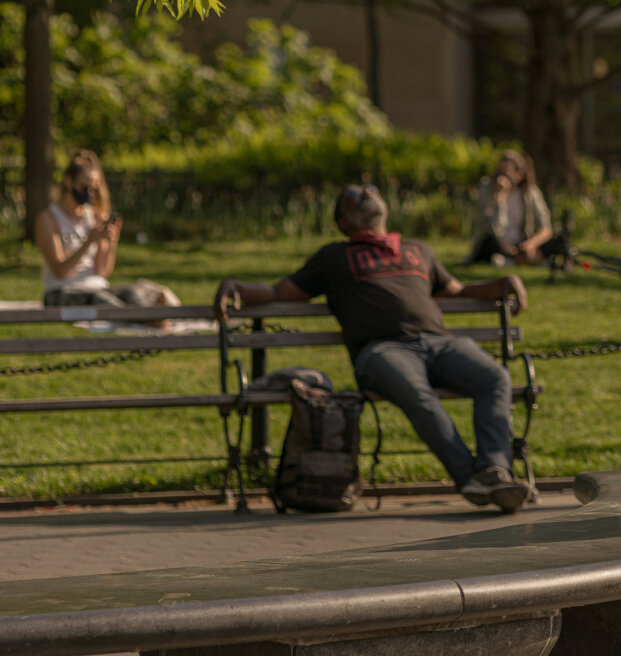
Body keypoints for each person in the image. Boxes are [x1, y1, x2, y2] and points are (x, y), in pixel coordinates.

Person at [213, 184, 534, 512]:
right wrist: (235, 286)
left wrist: (504, 282)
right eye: (354, 195)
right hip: (382, 351)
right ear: (343, 221)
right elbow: (278, 291)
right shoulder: (334, 257)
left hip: (440, 343)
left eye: (369, 190)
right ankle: (473, 478)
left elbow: (457, 290)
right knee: (418, 395)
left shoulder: (416, 249)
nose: (365, 194)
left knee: (494, 377)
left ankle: (494, 470)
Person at [35, 150, 178, 309]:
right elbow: (60, 271)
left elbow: (102, 271)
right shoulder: (48, 219)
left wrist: (111, 241)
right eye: (85, 187)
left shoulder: (94, 217)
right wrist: (89, 241)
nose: (90, 194)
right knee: (101, 300)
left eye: (94, 190)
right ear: (69, 181)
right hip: (61, 291)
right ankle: (145, 319)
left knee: (134, 292)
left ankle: (150, 316)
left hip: (96, 286)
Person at [468, 150, 554, 266]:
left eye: (505, 172)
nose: (500, 176)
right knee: (491, 240)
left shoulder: (530, 193)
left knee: (558, 242)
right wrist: (499, 201)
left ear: (519, 176)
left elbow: (546, 228)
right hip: (498, 242)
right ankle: (519, 259)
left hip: (522, 243)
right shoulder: (487, 188)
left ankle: (516, 259)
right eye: (499, 171)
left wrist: (531, 244)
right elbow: (493, 229)